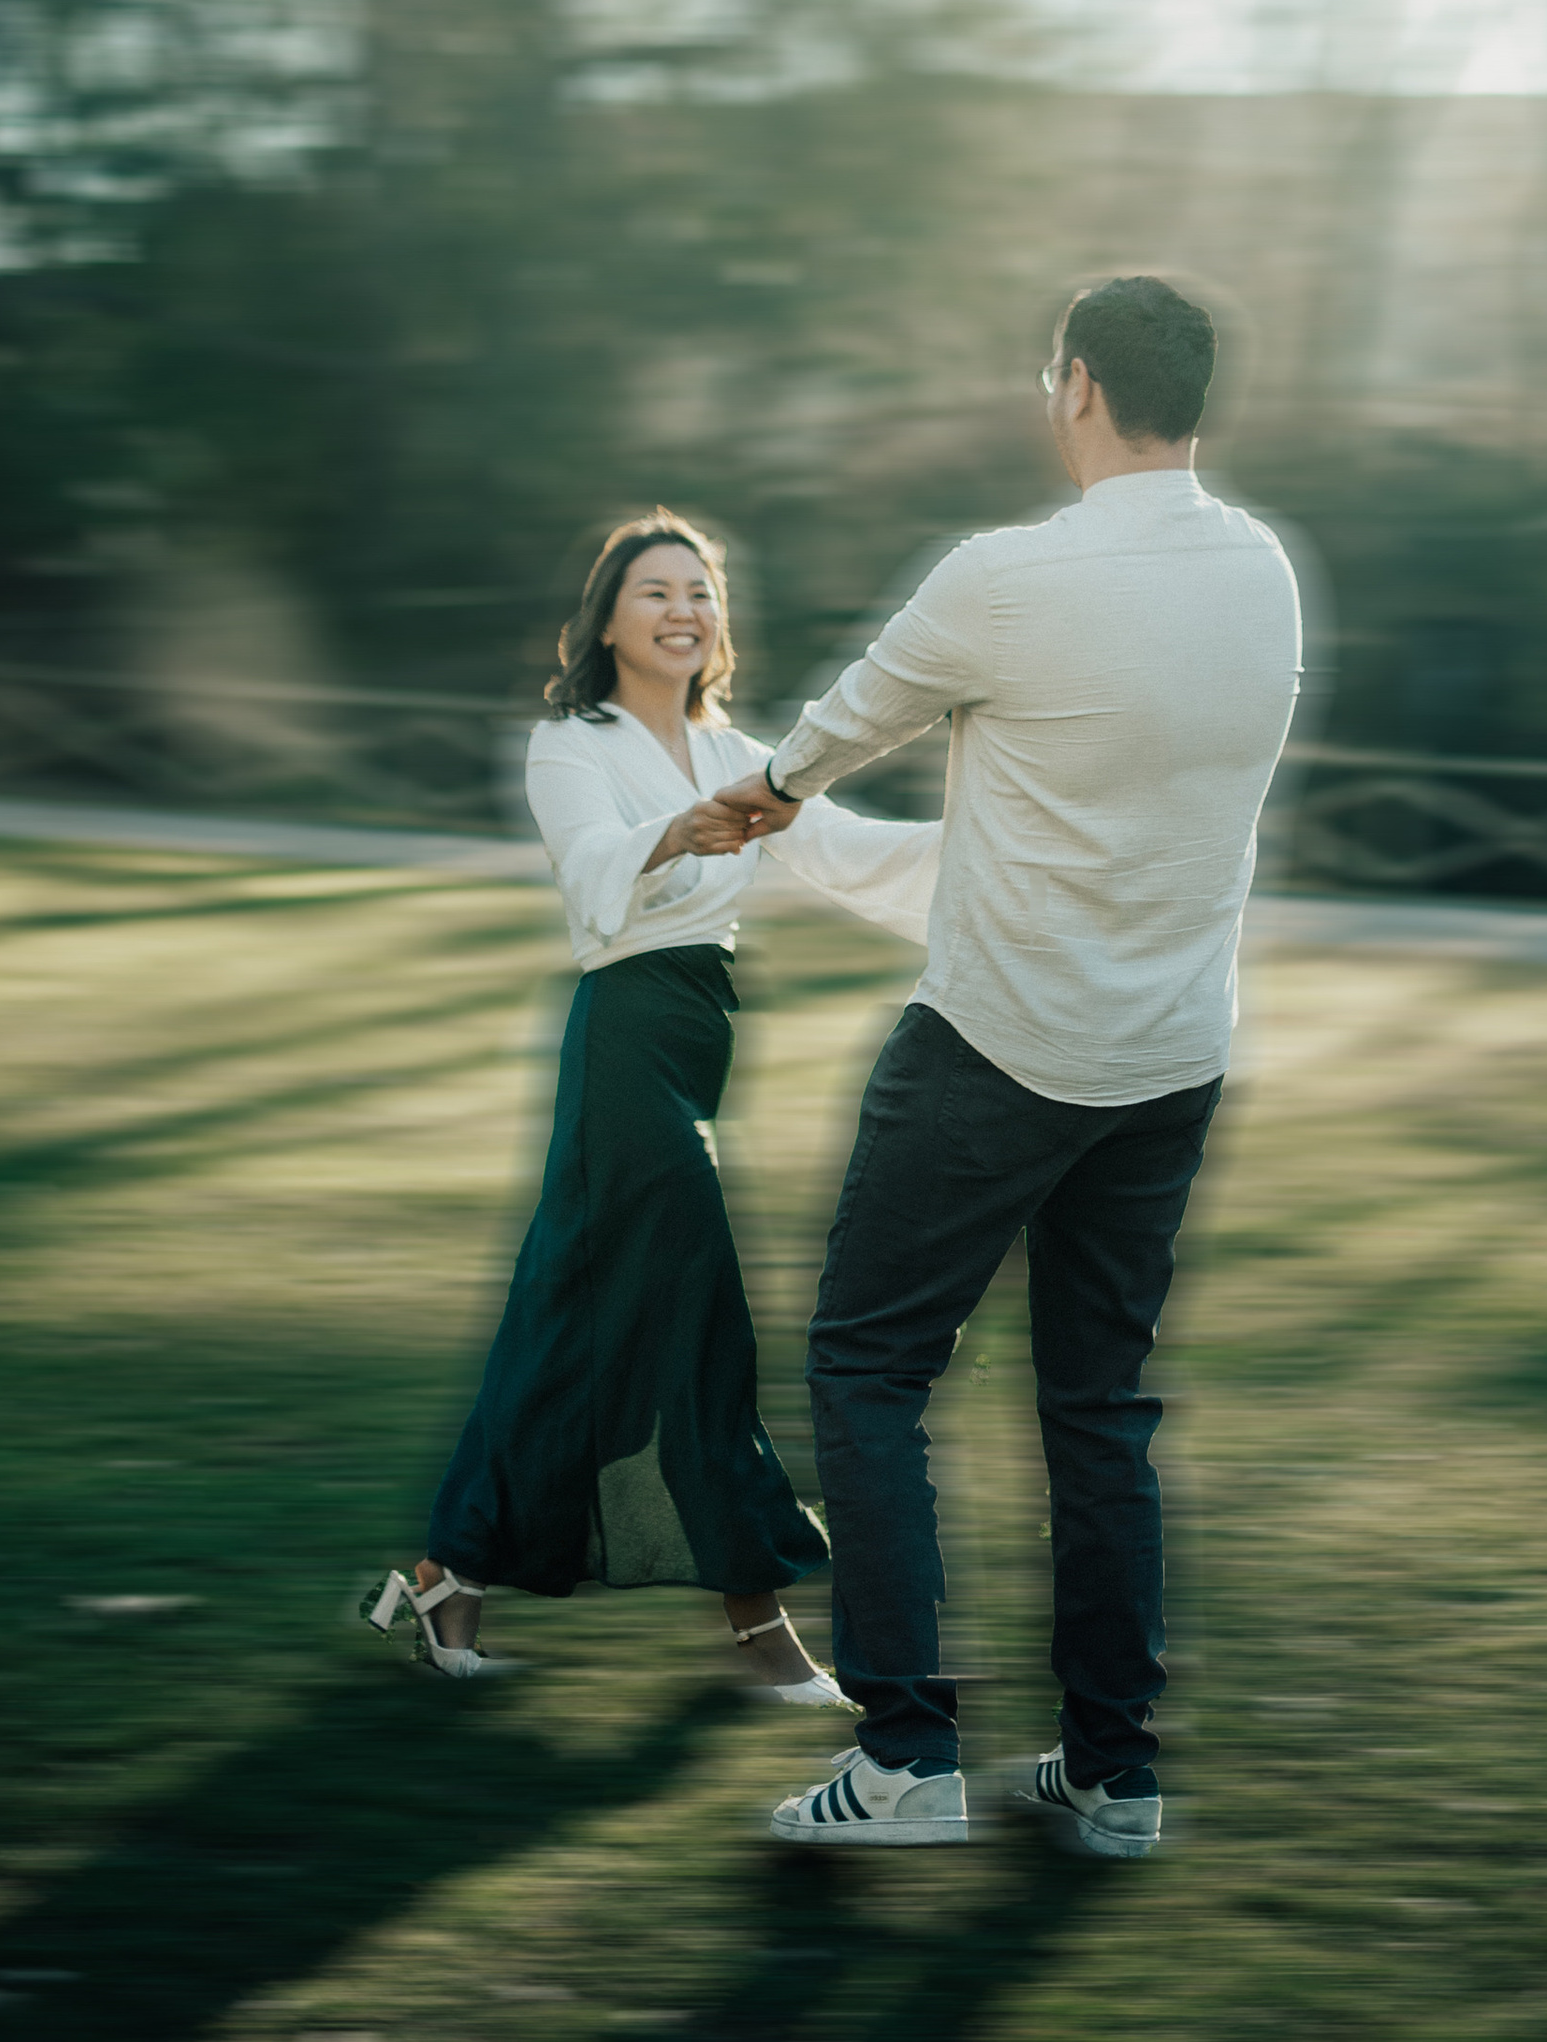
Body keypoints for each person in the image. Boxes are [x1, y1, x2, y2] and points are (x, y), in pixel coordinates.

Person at [710, 275, 1301, 1851]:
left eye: (1054, 375)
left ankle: (902, 1758)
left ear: (1082, 386)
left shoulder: (1007, 578)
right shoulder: (1264, 574)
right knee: (1099, 1408)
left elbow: (840, 727)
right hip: (1170, 1060)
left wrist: (759, 790)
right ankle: (1116, 1775)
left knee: (867, 1362)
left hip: (997, 1045)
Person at [363, 510, 940, 1699]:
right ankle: (757, 1625)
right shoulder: (568, 741)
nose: (684, 610)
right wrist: (675, 829)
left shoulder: (748, 752)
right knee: (698, 1308)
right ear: (608, 618)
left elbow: (852, 854)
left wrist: (1005, 841)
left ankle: (443, 1580)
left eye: (701, 592)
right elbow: (589, 870)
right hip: (623, 1041)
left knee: (569, 1325)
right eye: (655, 592)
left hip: (701, 1031)